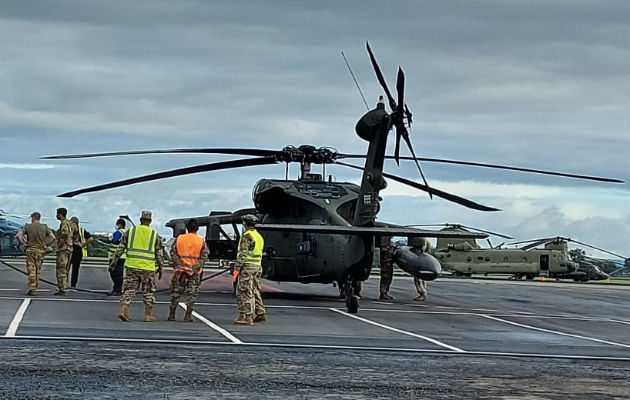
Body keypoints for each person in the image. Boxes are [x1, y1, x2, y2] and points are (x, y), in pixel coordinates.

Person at [111, 211, 164, 322]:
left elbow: (120, 249)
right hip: (147, 268)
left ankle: (124, 309)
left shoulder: (131, 232)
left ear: (140, 220)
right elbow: (159, 254)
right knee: (148, 291)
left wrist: (114, 262)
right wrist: (161, 267)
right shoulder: (154, 234)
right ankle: (148, 314)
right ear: (150, 221)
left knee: (129, 289)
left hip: (131, 265)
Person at [168, 218, 209, 322]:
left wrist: (178, 264)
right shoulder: (200, 241)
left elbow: (173, 252)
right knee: (192, 294)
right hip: (194, 272)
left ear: (187, 228)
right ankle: (188, 315)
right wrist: (197, 266)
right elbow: (204, 255)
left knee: (176, 293)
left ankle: (172, 314)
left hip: (180, 270)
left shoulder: (180, 239)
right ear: (197, 229)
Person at [234, 214, 266, 325]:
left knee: (244, 291)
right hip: (257, 266)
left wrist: (236, 267)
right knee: (255, 290)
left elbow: (243, 253)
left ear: (245, 223)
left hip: (247, 267)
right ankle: (260, 312)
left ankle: (248, 316)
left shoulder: (247, 236)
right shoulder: (258, 236)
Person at [16, 212, 56, 295]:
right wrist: (46, 244)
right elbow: (53, 237)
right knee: (38, 269)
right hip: (40, 250)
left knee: (31, 269)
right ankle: (35, 286)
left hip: (31, 249)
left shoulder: (28, 226)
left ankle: (32, 287)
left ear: (33, 217)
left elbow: (19, 235)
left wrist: (23, 243)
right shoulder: (44, 227)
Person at [55, 207, 78, 296]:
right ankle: (64, 286)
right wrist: (74, 241)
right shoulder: (71, 223)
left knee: (61, 269)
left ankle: (62, 288)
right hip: (69, 248)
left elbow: (64, 233)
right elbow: (76, 232)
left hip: (63, 249)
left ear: (60, 214)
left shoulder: (64, 224)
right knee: (65, 269)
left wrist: (61, 241)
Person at [69, 216, 93, 288]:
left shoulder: (81, 230)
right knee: (66, 269)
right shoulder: (69, 230)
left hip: (77, 251)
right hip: (69, 251)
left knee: (75, 270)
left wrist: (83, 244)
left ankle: (73, 285)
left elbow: (91, 238)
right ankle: (64, 284)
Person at [107, 218, 127, 296]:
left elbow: (113, 240)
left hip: (116, 257)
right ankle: (117, 288)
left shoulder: (119, 232)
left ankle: (117, 289)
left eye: (117, 224)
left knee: (114, 273)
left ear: (120, 225)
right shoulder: (126, 232)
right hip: (122, 256)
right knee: (119, 273)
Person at [379, 236, 395, 300]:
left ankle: (385, 293)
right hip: (386, 265)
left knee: (388, 278)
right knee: (385, 278)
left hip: (388, 265)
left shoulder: (389, 244)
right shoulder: (385, 245)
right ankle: (383, 293)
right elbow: (385, 253)